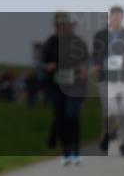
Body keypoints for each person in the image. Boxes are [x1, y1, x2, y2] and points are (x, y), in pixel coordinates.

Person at [42, 11, 90, 166]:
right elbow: (42, 62)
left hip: (75, 85)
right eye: (58, 25)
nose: (61, 28)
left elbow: (85, 61)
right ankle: (66, 151)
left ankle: (76, 149)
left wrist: (84, 70)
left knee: (72, 115)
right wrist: (47, 66)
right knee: (60, 118)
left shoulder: (77, 42)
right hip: (56, 86)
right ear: (55, 26)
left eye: (64, 25)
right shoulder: (50, 43)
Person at [93, 5, 124, 156]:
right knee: (109, 110)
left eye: (120, 16)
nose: (117, 19)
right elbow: (97, 55)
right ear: (110, 17)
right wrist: (98, 65)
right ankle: (106, 134)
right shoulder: (100, 35)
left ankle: (122, 144)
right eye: (114, 16)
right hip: (105, 78)